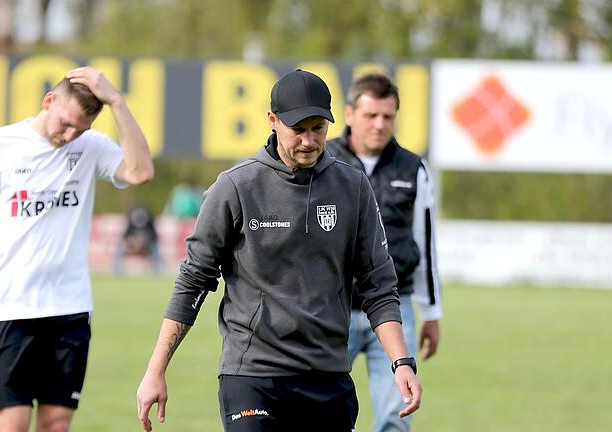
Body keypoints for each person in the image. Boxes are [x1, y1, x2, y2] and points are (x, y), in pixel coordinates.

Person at [136, 69, 422, 432]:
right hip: (253, 375)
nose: (308, 140)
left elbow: (378, 286)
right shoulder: (236, 187)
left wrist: (401, 362)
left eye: (318, 128)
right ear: (272, 121)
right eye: (298, 129)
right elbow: (193, 281)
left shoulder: (353, 187)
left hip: (328, 376)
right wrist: (155, 370)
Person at [0, 66, 154, 432]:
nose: (70, 134)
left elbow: (140, 172)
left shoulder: (89, 147)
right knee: (12, 424)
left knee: (56, 425)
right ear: (49, 101)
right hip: (9, 307)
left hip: (70, 309)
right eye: (66, 123)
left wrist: (117, 102)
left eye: (81, 129)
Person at [327, 73, 442, 432]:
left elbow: (425, 243)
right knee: (320, 411)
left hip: (395, 306)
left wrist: (432, 312)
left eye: (387, 117)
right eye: (370, 115)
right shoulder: (323, 159)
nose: (379, 124)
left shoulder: (414, 168)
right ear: (349, 114)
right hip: (332, 308)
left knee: (397, 414)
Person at [115, 205, 162, 274]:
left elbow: (153, 236)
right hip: (133, 243)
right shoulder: (131, 222)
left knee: (155, 249)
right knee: (120, 247)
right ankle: (117, 270)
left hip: (148, 243)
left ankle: (158, 270)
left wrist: (143, 241)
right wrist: (133, 241)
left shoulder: (149, 222)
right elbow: (126, 236)